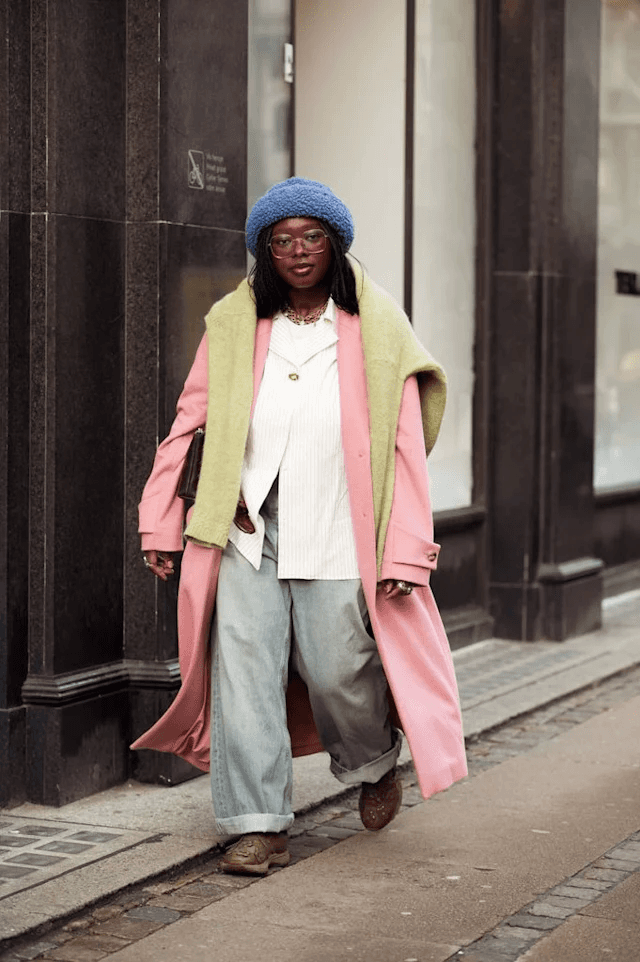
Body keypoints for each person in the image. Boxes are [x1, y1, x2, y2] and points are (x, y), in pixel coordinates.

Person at [132, 177, 467, 876]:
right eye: (280, 241)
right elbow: (188, 421)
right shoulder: (234, 322)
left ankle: (373, 761)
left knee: (338, 667)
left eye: (311, 237)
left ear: (335, 243)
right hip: (245, 529)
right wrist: (162, 519)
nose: (297, 251)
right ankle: (257, 825)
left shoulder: (375, 326)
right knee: (244, 676)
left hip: (341, 529)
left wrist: (407, 549)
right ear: (263, 251)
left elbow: (405, 444)